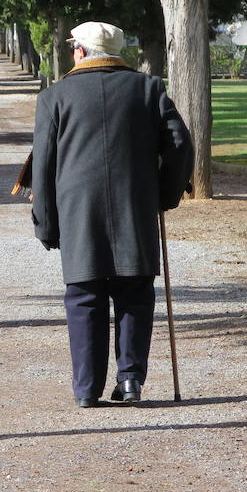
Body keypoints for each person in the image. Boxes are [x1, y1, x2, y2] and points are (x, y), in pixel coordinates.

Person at [31, 21, 193, 407]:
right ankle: (131, 380)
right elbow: (180, 146)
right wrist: (165, 193)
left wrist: (46, 224)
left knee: (84, 295)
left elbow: (43, 167)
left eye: (74, 48)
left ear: (81, 52)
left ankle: (87, 390)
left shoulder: (55, 96)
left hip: (78, 212)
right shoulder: (148, 89)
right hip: (134, 206)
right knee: (135, 292)